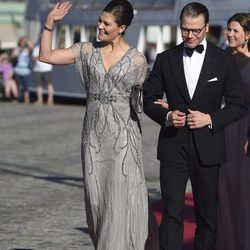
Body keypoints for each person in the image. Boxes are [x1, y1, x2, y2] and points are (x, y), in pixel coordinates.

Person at [38, 1, 149, 250]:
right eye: (100, 20)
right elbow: (45, 56)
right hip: (93, 139)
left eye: (105, 23)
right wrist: (49, 24)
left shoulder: (137, 60)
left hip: (124, 138)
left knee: (120, 198)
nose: (99, 26)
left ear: (121, 28)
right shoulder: (86, 50)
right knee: (97, 201)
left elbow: (145, 100)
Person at [143, 2, 246, 250]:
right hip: (172, 147)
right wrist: (167, 117)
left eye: (196, 31)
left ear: (207, 28)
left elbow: (238, 105)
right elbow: (148, 100)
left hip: (208, 148)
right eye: (185, 30)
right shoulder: (165, 59)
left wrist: (210, 119)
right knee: (171, 214)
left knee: (207, 219)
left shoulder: (223, 61)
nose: (190, 35)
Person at [216, 13, 250, 250]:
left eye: (236, 30)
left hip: (247, 130)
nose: (230, 34)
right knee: (224, 188)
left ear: (248, 35)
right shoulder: (221, 58)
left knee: (244, 189)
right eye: (229, 29)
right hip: (224, 128)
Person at [12, 37, 33, 104]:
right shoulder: (17, 49)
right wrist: (15, 55)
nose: (22, 43)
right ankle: (17, 98)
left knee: (25, 86)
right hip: (18, 69)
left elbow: (31, 46)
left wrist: (26, 40)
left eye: (23, 42)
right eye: (21, 42)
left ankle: (26, 100)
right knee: (17, 85)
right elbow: (13, 56)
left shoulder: (27, 50)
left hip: (25, 70)